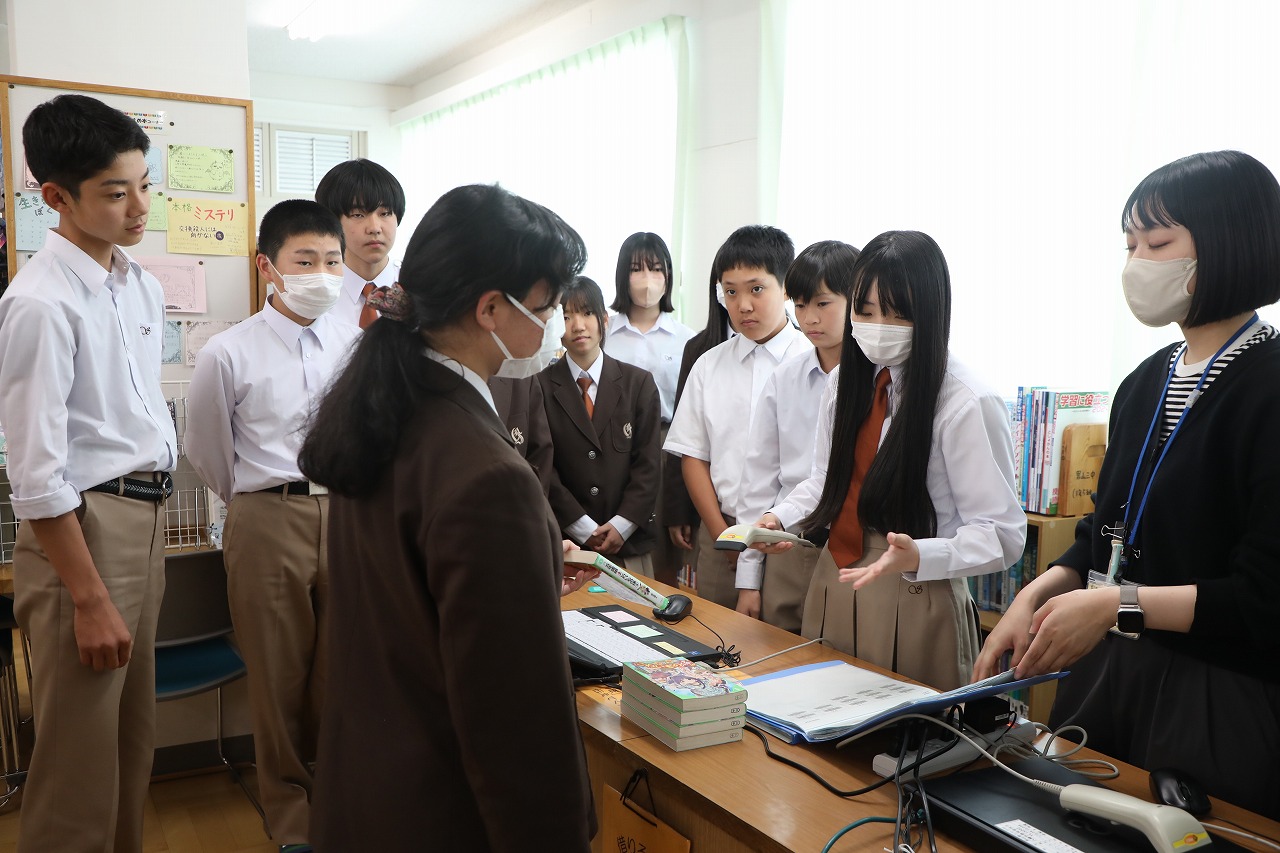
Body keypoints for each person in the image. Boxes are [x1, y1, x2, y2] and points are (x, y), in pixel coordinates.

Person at [974, 151, 1280, 819]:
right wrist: (1039, 589)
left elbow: (1263, 599)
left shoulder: (1268, 385)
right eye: (1130, 244)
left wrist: (1117, 604)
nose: (1137, 262)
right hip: (1109, 677)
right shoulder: (1147, 380)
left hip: (1217, 697)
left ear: (1230, 241)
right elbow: (1100, 532)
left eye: (1159, 242)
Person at [298, 184, 597, 850]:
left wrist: (532, 565)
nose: (551, 327)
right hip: (444, 810)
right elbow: (515, 723)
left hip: (370, 788)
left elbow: (411, 599)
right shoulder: (486, 472)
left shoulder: (381, 412)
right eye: (545, 307)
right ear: (492, 308)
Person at [0, 93, 177, 852]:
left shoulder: (136, 282)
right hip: (85, 531)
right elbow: (36, 474)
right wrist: (90, 597)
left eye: (143, 183)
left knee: (130, 748)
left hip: (145, 523)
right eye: (114, 191)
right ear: (55, 197)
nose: (138, 205)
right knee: (75, 769)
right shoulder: (39, 302)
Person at [757, 231, 1024, 691]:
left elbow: (1002, 535)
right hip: (836, 576)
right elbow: (826, 479)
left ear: (931, 313)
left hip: (915, 589)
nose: (878, 325)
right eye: (866, 311)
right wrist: (779, 519)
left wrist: (922, 553)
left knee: (904, 749)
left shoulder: (965, 401)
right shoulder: (845, 382)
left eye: (897, 313)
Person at [184, 200, 358, 851]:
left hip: (345, 514)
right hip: (265, 515)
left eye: (332, 261)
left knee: (342, 665)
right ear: (268, 267)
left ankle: (340, 794)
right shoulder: (228, 352)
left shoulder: (353, 342)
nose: (322, 273)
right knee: (277, 669)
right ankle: (290, 810)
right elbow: (205, 449)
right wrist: (258, 502)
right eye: (305, 260)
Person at [663, 225, 811, 609]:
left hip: (789, 542)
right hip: (720, 536)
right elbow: (693, 456)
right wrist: (724, 537)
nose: (742, 304)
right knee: (716, 651)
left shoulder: (812, 363)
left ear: (786, 287)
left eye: (756, 289)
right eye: (730, 292)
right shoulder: (709, 365)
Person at [734, 241, 860, 630]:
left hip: (855, 552)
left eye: (823, 304)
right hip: (789, 544)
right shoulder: (784, 380)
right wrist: (749, 580)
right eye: (800, 305)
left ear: (856, 299)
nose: (809, 318)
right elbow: (758, 482)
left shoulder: (880, 380)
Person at [540, 275, 661, 575]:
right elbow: (542, 467)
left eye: (586, 313)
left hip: (630, 543)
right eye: (566, 316)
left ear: (604, 319)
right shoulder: (538, 387)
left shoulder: (638, 383)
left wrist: (622, 525)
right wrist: (583, 529)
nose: (577, 325)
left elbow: (648, 464)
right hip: (567, 546)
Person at [605, 233, 694, 583]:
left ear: (669, 277)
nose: (647, 279)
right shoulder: (605, 331)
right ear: (621, 276)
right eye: (636, 269)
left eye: (656, 269)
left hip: (665, 444)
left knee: (661, 546)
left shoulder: (686, 339)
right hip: (610, 445)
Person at [662, 270, 734, 583]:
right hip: (714, 510)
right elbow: (687, 446)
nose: (743, 303)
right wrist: (678, 510)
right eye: (730, 289)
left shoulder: (800, 353)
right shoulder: (702, 351)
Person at [314, 158, 404, 328]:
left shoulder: (418, 288)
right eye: (358, 215)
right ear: (331, 222)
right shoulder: (315, 295)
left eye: (385, 213)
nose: (374, 228)